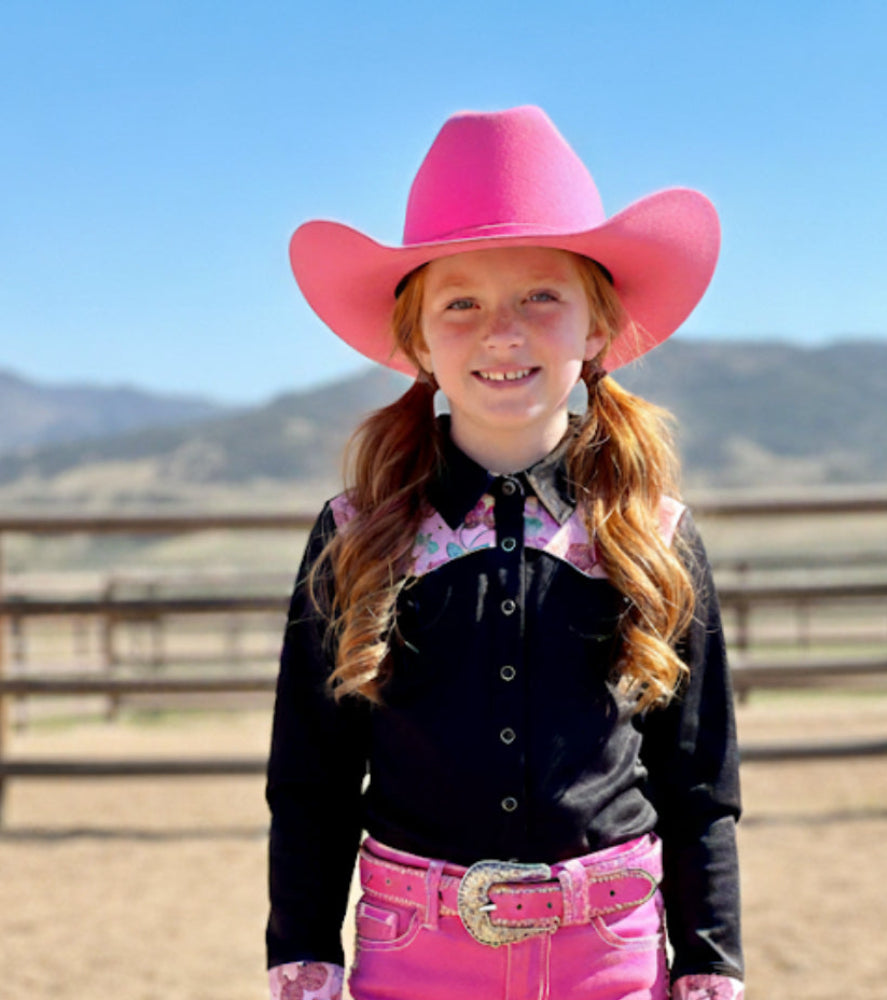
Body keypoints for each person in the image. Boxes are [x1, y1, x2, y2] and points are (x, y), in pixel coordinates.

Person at [266, 106, 744, 1000]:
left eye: (541, 297)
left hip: (612, 956)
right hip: (412, 955)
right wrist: (303, 959)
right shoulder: (357, 532)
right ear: (417, 339)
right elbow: (311, 776)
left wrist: (710, 965)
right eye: (461, 303)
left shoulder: (653, 533)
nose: (502, 331)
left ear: (596, 328)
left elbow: (698, 784)